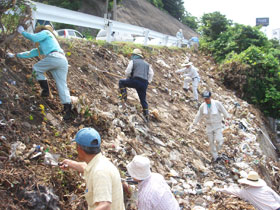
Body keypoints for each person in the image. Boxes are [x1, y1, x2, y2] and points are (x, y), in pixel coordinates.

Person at [7, 25, 72, 120]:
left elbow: (34, 38)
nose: (38, 33)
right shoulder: (46, 44)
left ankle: (45, 91)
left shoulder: (46, 32)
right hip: (62, 60)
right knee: (62, 85)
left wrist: (22, 32)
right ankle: (68, 110)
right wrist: (15, 55)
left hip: (55, 57)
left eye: (39, 32)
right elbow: (31, 53)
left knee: (36, 68)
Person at [60, 127, 125, 210]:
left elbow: (105, 206)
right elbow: (86, 168)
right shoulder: (100, 163)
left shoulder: (100, 172)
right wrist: (69, 163)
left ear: (79, 148)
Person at [189, 91, 230, 162]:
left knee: (219, 140)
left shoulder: (217, 104)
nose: (207, 100)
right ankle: (215, 157)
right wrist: (193, 124)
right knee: (211, 142)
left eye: (208, 98)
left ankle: (217, 151)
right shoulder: (203, 106)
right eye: (205, 99)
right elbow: (199, 115)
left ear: (210, 97)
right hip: (209, 126)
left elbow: (224, 111)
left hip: (217, 125)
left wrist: (227, 118)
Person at [119, 49, 154, 122]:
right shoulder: (147, 64)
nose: (131, 56)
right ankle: (146, 116)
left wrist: (128, 78)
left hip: (135, 80)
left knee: (121, 82)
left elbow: (128, 71)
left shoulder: (133, 61)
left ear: (135, 55)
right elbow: (151, 74)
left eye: (132, 55)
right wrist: (148, 82)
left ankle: (123, 97)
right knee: (143, 100)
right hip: (144, 84)